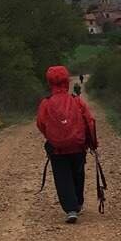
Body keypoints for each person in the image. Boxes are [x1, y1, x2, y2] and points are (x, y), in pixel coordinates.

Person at [36, 65, 98, 224]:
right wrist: (92, 143)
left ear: (49, 82)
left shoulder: (46, 103)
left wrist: (51, 136)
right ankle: (78, 202)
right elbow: (89, 121)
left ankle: (71, 209)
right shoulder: (77, 101)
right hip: (78, 147)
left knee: (62, 177)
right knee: (78, 174)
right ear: (67, 80)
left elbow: (41, 124)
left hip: (57, 149)